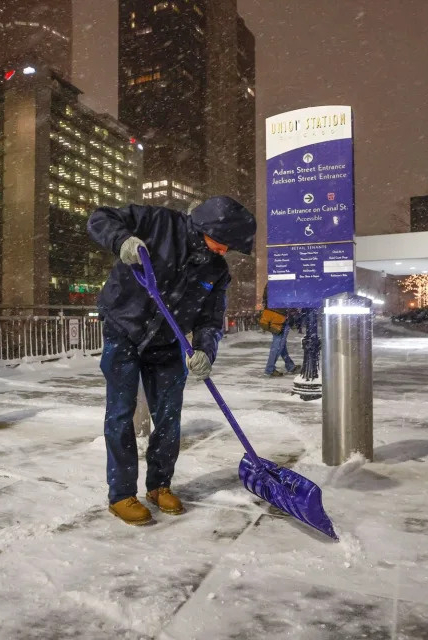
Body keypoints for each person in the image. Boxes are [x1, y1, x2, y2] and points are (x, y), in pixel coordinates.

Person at [87, 196, 256, 526]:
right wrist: (123, 240)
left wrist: (207, 349)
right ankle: (121, 494)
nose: (224, 250)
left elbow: (211, 317)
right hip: (124, 327)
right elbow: (99, 218)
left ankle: (159, 486)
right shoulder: (157, 223)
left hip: (168, 340)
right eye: (222, 242)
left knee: (169, 416)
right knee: (121, 412)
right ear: (205, 228)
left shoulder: (216, 270)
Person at [262, 284, 301, 377]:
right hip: (282, 317)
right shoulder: (285, 283)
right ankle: (269, 369)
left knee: (281, 344)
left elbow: (265, 298)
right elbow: (289, 299)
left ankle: (290, 365)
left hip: (274, 316)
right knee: (278, 344)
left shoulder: (271, 282)